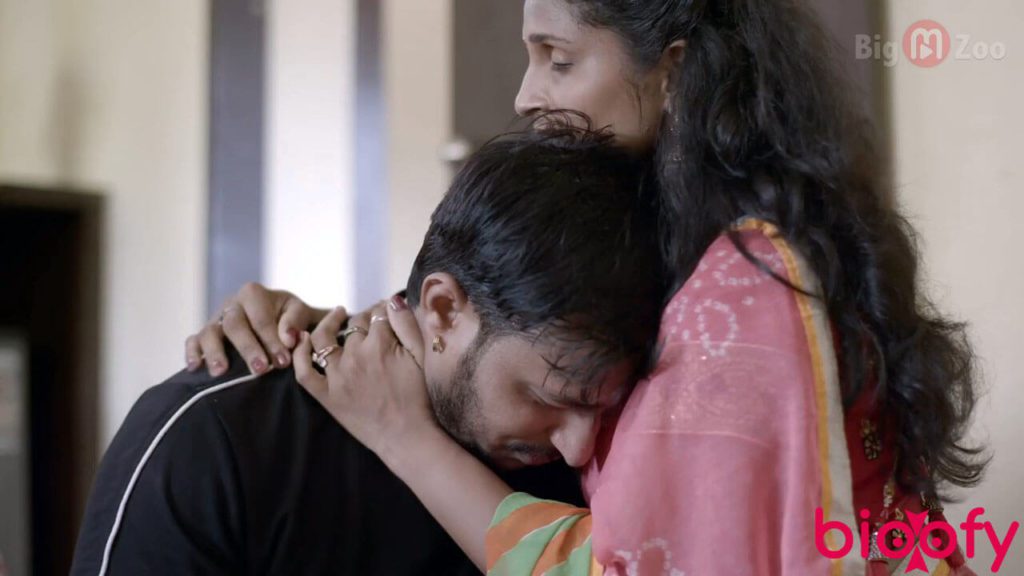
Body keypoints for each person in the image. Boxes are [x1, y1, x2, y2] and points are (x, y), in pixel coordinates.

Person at [187, 1, 988, 574]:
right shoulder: (690, 251)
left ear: (675, 71)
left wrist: (405, 436)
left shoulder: (744, 294)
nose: (525, 96)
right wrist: (325, 333)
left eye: (559, 58)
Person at [70, 128, 668, 575]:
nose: (579, 446)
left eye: (602, 407)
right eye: (549, 397)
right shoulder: (215, 438)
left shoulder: (590, 472)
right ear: (442, 309)